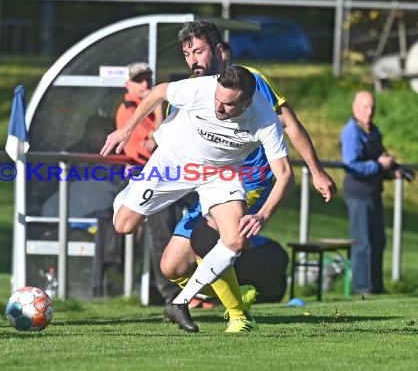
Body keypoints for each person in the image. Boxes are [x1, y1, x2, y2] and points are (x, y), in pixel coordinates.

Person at [159, 20, 336, 333]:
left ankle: (239, 317)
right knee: (172, 266)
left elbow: (290, 124)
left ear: (218, 50)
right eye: (187, 54)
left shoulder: (251, 80)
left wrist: (317, 171)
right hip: (208, 185)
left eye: (198, 51)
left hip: (249, 181)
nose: (193, 60)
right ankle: (237, 296)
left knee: (204, 241)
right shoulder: (187, 91)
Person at [101, 65, 295, 333]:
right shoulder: (201, 89)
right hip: (174, 162)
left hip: (220, 174)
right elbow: (159, 92)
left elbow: (285, 175)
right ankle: (133, 188)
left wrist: (263, 214)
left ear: (247, 102)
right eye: (217, 99)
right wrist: (127, 130)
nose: (218, 107)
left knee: (235, 238)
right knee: (123, 225)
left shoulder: (264, 118)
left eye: (227, 105)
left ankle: (181, 303)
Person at [115, 62, 192, 314]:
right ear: (128, 85)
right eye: (139, 80)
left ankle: (189, 289)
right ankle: (171, 296)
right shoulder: (128, 111)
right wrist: (158, 108)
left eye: (149, 79)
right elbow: (149, 148)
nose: (146, 84)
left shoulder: (151, 110)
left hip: (169, 177)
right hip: (145, 178)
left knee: (182, 230)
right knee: (161, 235)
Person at [340, 91, 399, 295]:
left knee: (378, 241)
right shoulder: (352, 132)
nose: (370, 111)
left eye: (372, 107)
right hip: (358, 194)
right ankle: (362, 288)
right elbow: (352, 165)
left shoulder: (373, 130)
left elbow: (379, 158)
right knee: (362, 243)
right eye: (365, 107)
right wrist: (378, 165)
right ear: (354, 108)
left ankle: (377, 286)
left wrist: (392, 170)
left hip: (374, 193)